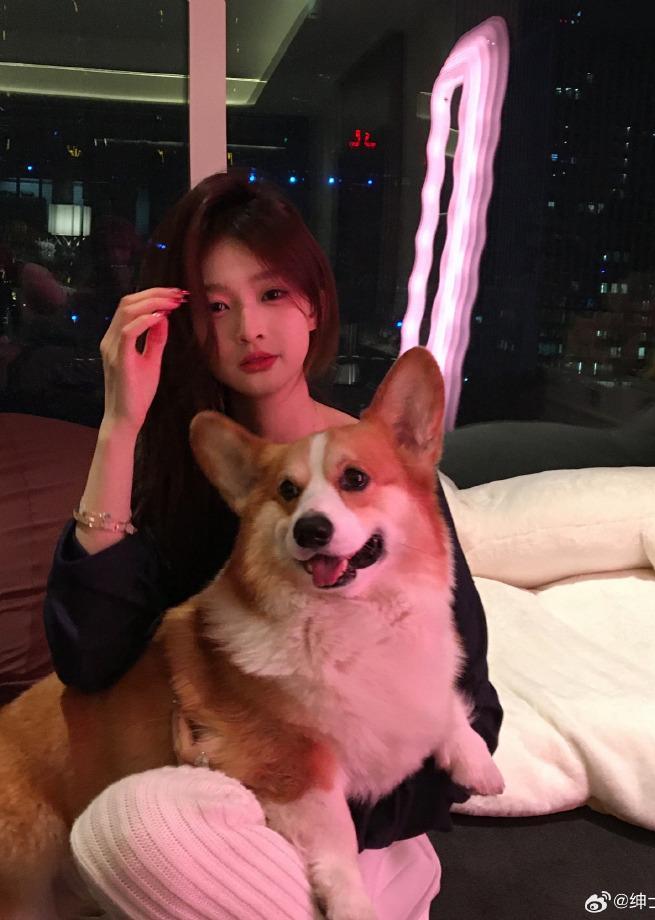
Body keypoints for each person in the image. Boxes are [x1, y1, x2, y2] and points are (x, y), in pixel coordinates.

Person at [44, 169, 503, 920]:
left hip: (352, 834)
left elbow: (472, 714)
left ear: (314, 304)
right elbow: (89, 661)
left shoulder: (390, 480)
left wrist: (317, 813)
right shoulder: (184, 481)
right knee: (134, 827)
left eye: (272, 294)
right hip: (195, 807)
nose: (249, 330)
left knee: (154, 838)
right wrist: (120, 426)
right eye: (217, 307)